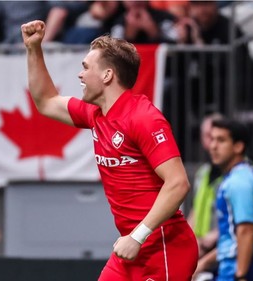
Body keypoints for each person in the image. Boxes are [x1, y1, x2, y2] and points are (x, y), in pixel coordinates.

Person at [21, 20, 198, 280]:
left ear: (107, 75)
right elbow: (45, 101)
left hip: (163, 246)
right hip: (130, 248)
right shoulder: (96, 114)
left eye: (85, 68)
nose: (80, 75)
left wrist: (137, 236)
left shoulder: (144, 118)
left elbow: (178, 183)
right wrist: (34, 48)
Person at [194, 118, 253, 281]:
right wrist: (203, 264)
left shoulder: (239, 182)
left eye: (221, 140)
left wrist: (240, 275)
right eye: (212, 139)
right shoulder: (236, 177)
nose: (213, 146)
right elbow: (231, 241)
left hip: (243, 271)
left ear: (238, 146)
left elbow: (246, 230)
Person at [188, 113, 223, 257]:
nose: (212, 143)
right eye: (208, 136)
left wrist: (216, 235)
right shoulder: (203, 173)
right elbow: (195, 210)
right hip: (200, 248)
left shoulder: (242, 172)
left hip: (223, 248)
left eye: (218, 138)